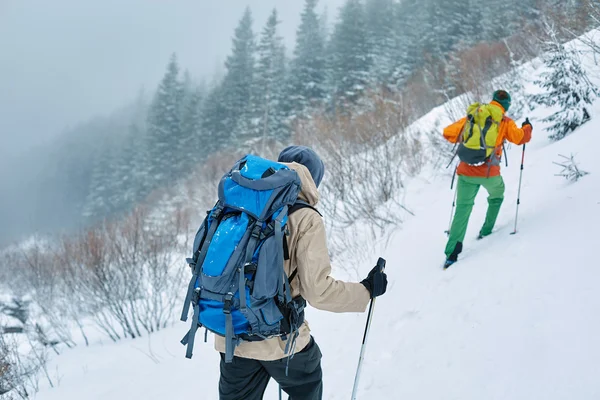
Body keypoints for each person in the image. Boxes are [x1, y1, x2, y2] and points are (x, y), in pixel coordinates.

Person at [215, 145, 388, 400]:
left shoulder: (242, 203)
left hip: (232, 336)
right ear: (313, 180)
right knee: (308, 383)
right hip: (282, 341)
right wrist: (366, 291)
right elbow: (317, 291)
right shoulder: (306, 218)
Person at [443, 90, 532, 268]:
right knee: (497, 196)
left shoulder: (474, 116)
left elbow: (448, 133)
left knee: (462, 209)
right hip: (489, 174)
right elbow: (520, 138)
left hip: (466, 173)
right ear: (506, 105)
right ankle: (486, 230)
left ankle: (451, 254)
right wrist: (527, 128)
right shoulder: (504, 121)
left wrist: (468, 136)